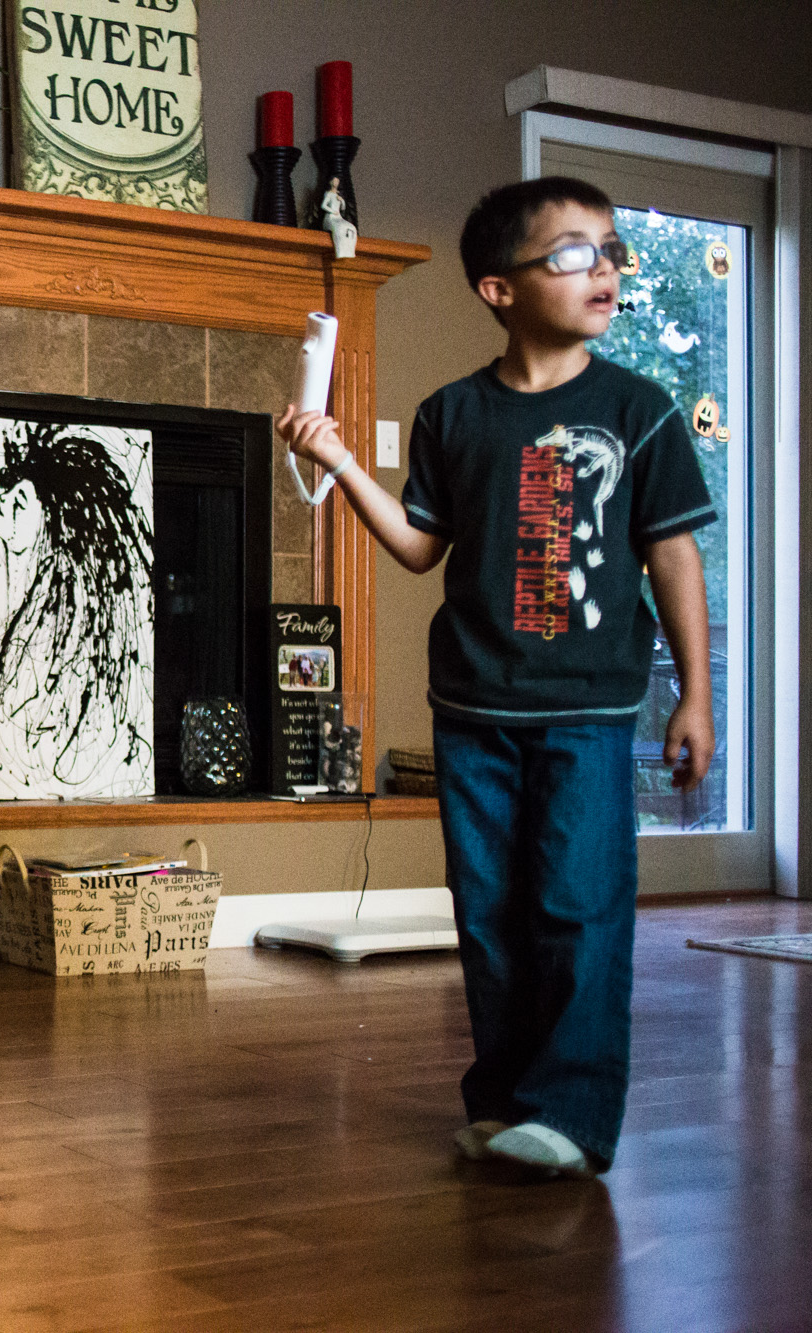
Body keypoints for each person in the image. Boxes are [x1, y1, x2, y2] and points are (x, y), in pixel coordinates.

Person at [277, 177, 717, 1178]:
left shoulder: (635, 410)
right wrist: (339, 460)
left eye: (607, 250)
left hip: (587, 710)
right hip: (472, 709)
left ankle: (569, 1112)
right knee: (486, 911)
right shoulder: (451, 415)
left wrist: (691, 692)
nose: (600, 269)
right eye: (569, 253)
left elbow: (673, 558)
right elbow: (416, 547)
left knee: (576, 904)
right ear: (497, 288)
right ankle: (505, 1099)